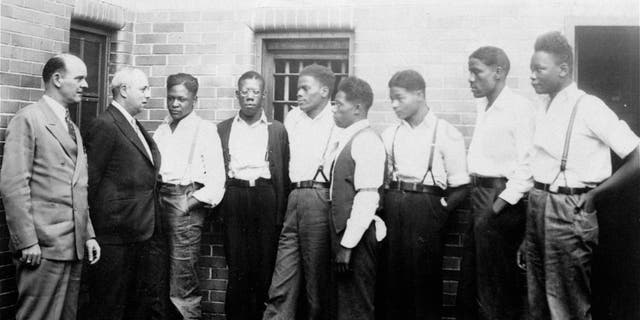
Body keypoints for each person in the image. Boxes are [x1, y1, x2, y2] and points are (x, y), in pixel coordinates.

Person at [525, 31, 640, 320]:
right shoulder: (542, 107)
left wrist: (594, 195)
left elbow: (636, 156)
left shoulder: (589, 106)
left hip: (569, 209)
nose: (532, 76)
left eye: (539, 69)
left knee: (567, 305)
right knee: (538, 301)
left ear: (563, 69)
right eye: (532, 69)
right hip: (538, 204)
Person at [0, 53, 100, 320]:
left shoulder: (73, 128)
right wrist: (27, 241)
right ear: (57, 79)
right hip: (42, 248)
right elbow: (14, 185)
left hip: (72, 244)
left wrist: (88, 234)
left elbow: (78, 186)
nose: (86, 85)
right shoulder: (29, 119)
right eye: (79, 78)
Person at [378, 70, 470, 320]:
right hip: (394, 206)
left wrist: (440, 211)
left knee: (423, 281)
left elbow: (461, 185)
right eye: (391, 100)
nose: (394, 105)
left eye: (399, 98)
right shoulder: (390, 134)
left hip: (427, 209)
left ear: (419, 94)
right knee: (391, 281)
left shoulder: (446, 132)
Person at [456, 46, 534, 320]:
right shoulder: (483, 105)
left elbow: (528, 166)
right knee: (474, 281)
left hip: (500, 202)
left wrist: (497, 208)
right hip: (479, 197)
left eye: (476, 71)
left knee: (497, 286)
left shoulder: (519, 108)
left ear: (498, 72)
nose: (470, 78)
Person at [83, 67, 163, 320]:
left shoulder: (132, 123)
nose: (149, 94)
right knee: (110, 306)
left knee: (134, 305)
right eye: (144, 88)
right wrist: (91, 233)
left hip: (140, 232)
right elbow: (90, 183)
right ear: (124, 90)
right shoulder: (105, 125)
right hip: (114, 237)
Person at [263, 64, 340, 320]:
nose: (300, 94)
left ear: (325, 91)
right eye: (298, 88)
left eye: (306, 88)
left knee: (317, 280)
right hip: (293, 197)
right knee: (283, 274)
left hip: (320, 197)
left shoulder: (338, 119)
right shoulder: (293, 118)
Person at [153, 73, 226, 319]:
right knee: (159, 271)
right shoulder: (162, 129)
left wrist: (188, 203)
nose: (175, 104)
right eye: (171, 98)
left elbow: (217, 181)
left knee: (182, 276)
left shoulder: (204, 130)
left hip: (184, 202)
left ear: (194, 100)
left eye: (181, 99)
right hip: (158, 200)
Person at [217, 71, 290, 320]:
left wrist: (279, 211)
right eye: (245, 91)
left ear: (263, 95)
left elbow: (283, 173)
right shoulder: (223, 129)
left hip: (264, 195)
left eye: (255, 92)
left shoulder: (277, 130)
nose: (250, 96)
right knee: (237, 265)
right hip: (235, 195)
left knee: (264, 264)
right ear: (238, 94)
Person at [329, 76, 386, 320]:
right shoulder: (349, 138)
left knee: (357, 306)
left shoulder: (366, 141)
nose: (335, 109)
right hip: (348, 235)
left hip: (358, 238)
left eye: (339, 104)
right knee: (347, 304)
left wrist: (347, 245)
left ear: (358, 108)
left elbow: (367, 197)